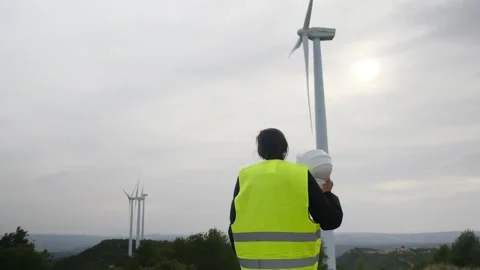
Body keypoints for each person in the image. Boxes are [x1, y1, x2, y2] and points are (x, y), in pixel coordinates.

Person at [228, 128, 343, 270]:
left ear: (260, 150)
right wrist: (327, 194)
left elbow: (233, 225)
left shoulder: (244, 176)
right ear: (285, 149)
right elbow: (331, 220)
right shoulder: (300, 175)